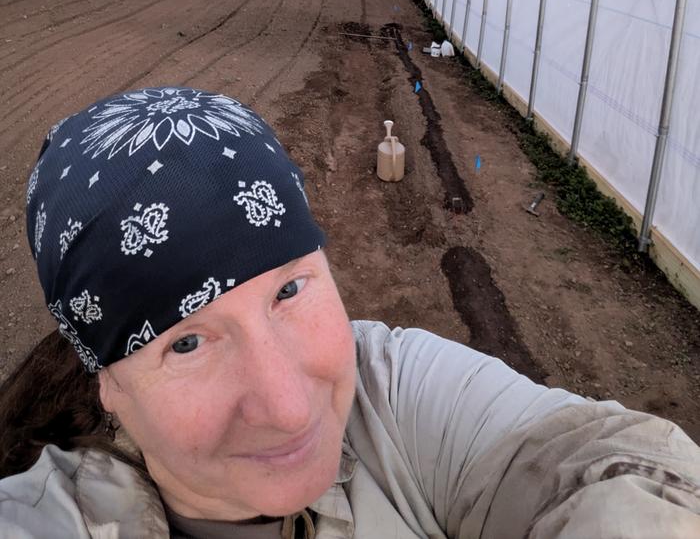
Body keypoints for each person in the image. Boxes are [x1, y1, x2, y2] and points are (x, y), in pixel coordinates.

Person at [0, 87, 698, 539]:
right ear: (109, 381)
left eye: (289, 290)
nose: (288, 407)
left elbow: (608, 460)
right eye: (185, 343)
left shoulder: (390, 388)